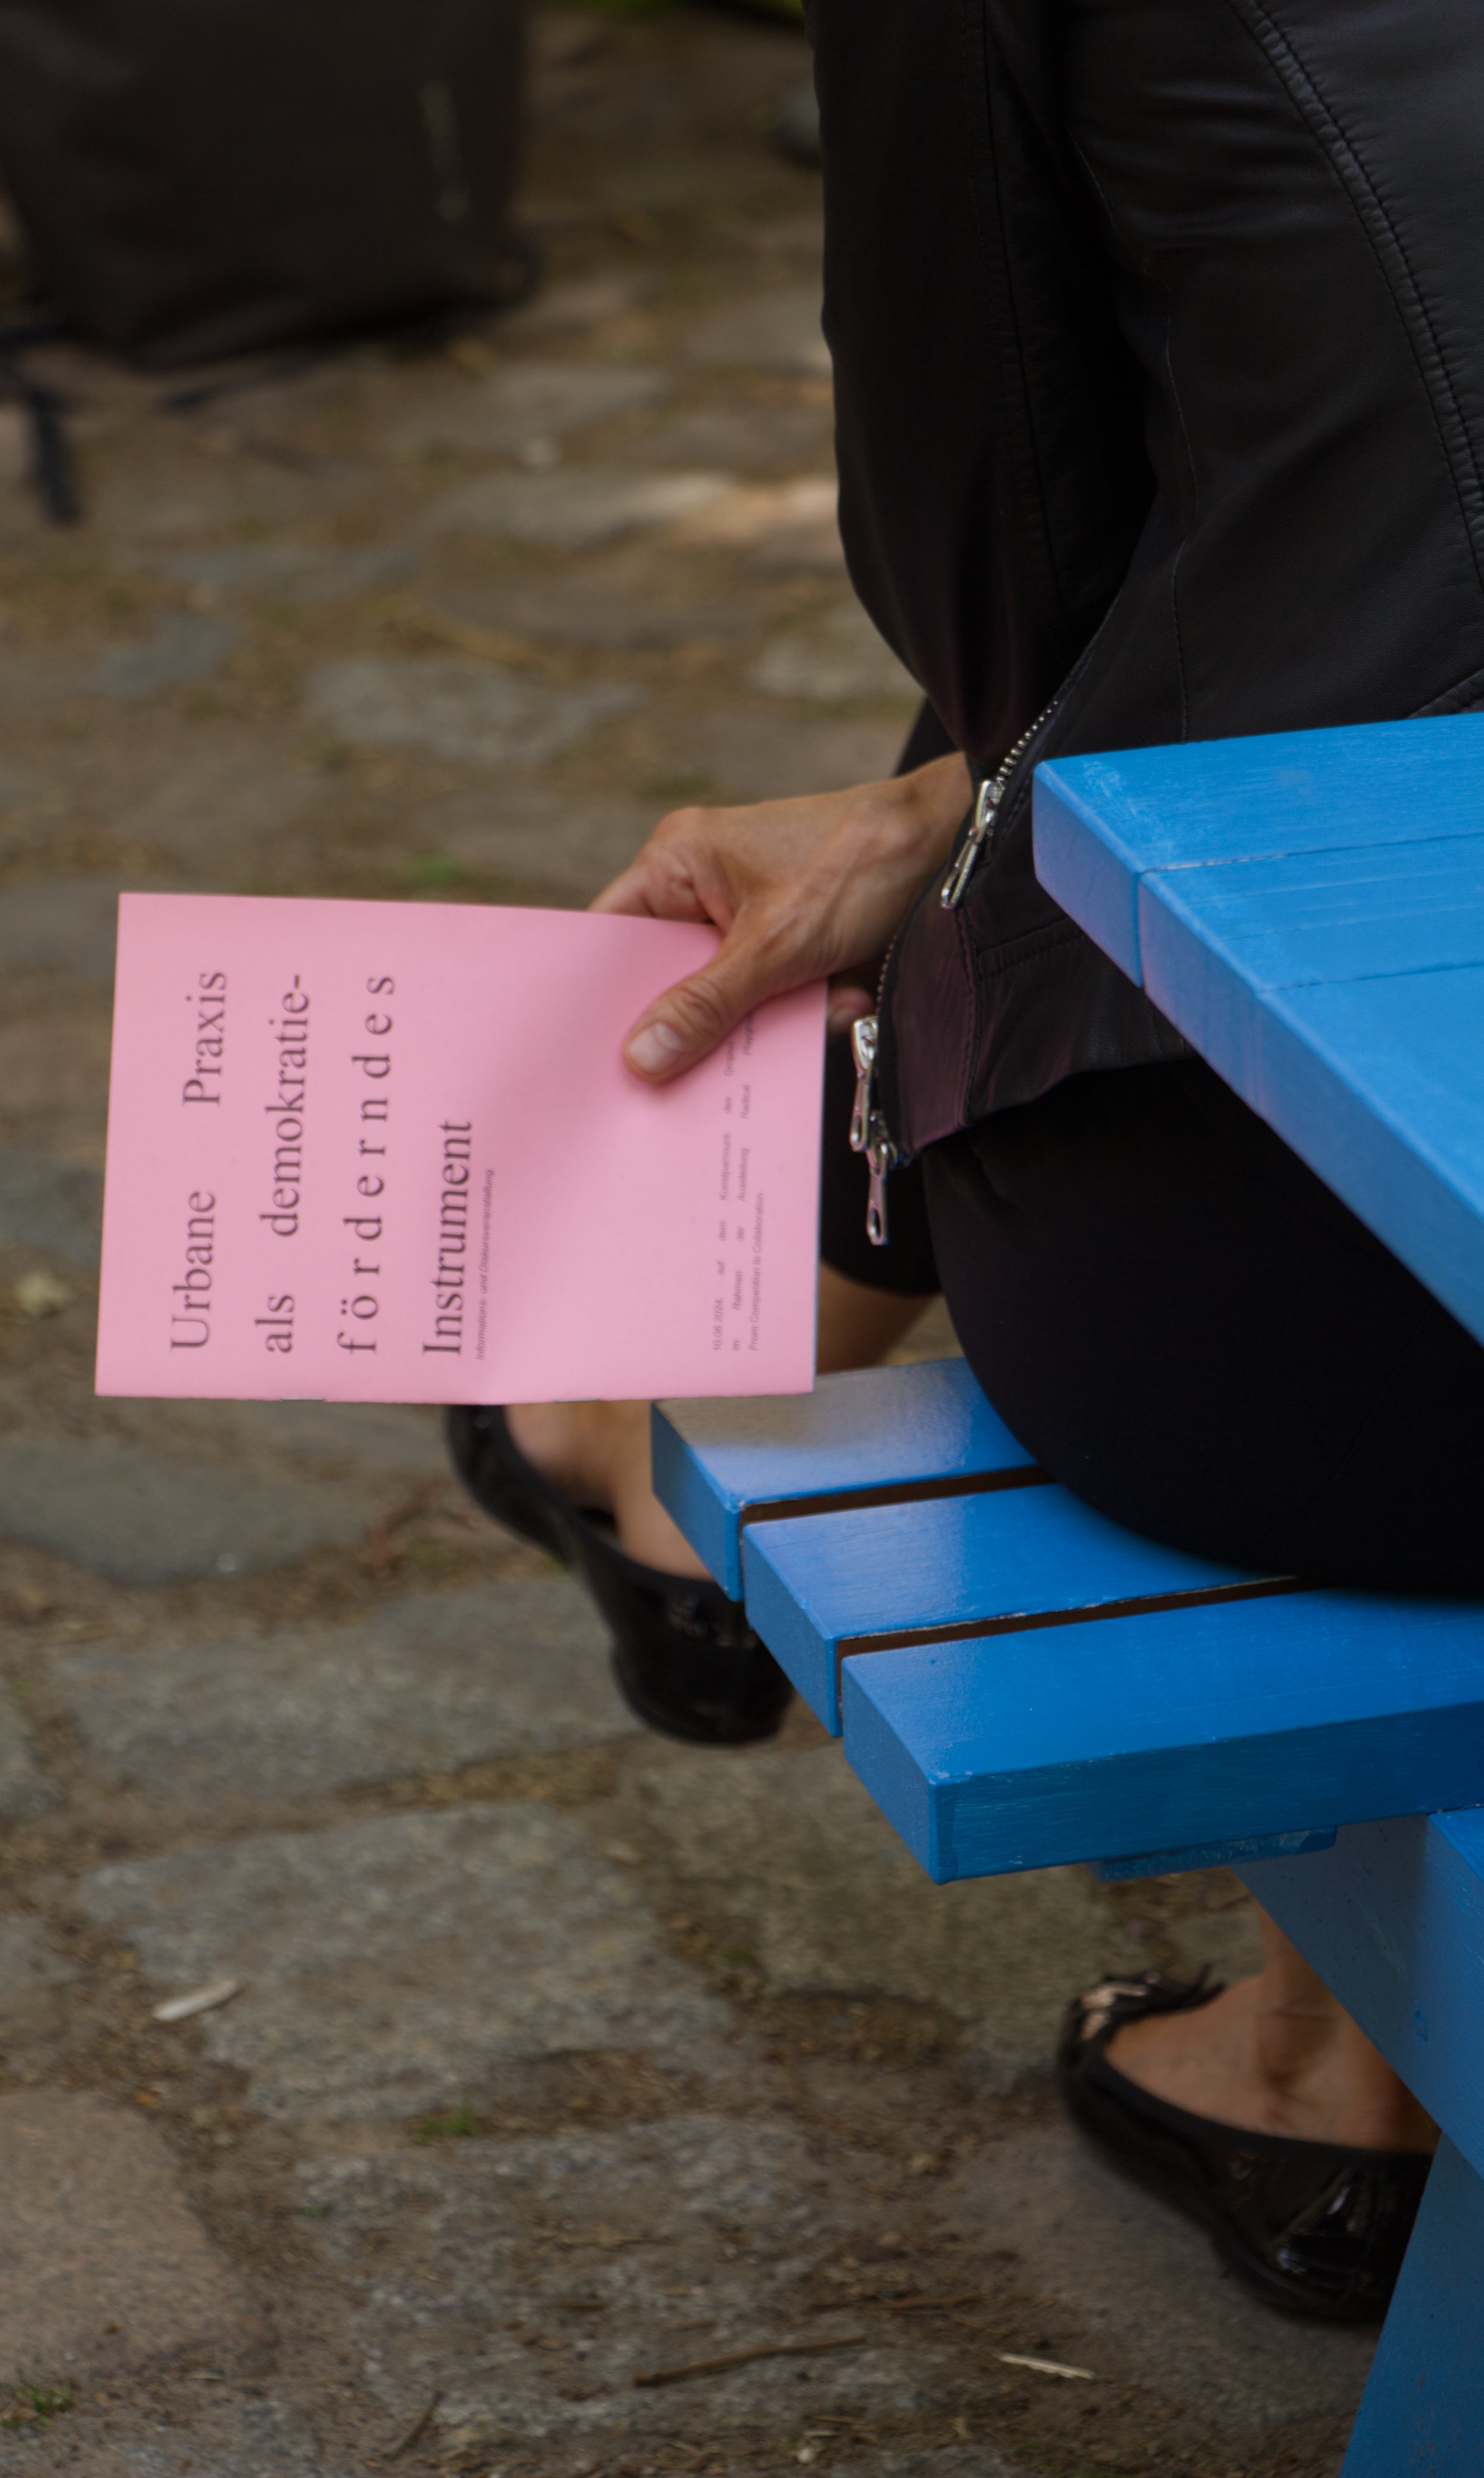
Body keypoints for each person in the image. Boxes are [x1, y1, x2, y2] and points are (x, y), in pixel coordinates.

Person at [452, 0, 1484, 2322]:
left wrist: (948, 801)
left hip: (1353, 1372)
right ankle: (1329, 2054)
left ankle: (629, 1426)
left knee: (1101, 842)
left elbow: (992, 558)